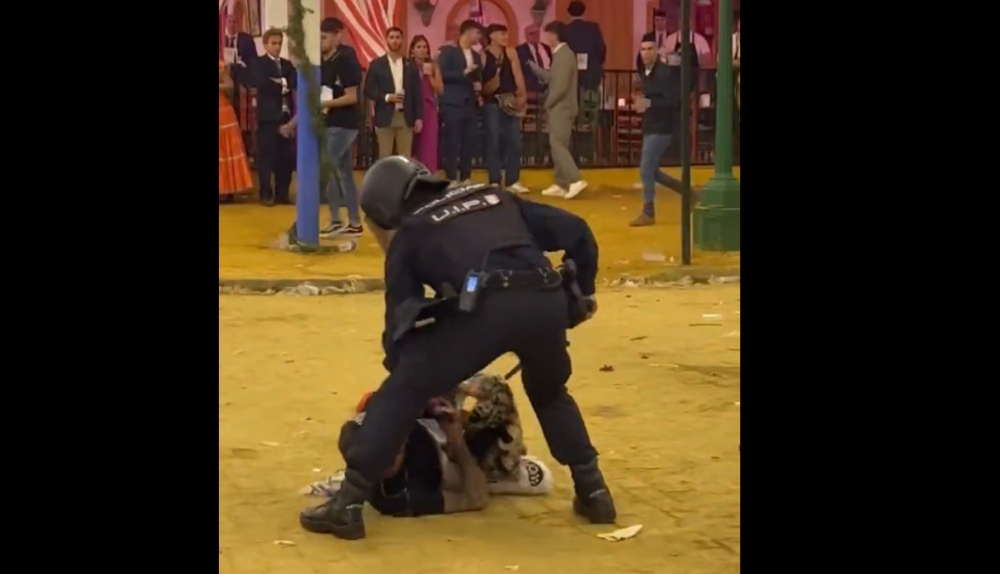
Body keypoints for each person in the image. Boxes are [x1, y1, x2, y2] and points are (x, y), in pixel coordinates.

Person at [298, 156, 616, 541]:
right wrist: (581, 292)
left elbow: (399, 326)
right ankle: (594, 491)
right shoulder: (495, 197)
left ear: (384, 210)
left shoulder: (412, 231)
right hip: (546, 299)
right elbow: (577, 230)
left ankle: (348, 503)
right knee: (549, 392)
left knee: (403, 387)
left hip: (485, 305)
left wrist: (415, 379)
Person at [300, 374, 555, 519]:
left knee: (441, 373)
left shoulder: (372, 424)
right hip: (461, 458)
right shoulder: (397, 498)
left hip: (437, 424)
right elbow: (475, 498)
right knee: (498, 393)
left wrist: (436, 406)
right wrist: (456, 442)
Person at [630, 33, 687, 227]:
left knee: (646, 169)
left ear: (657, 51)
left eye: (650, 49)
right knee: (652, 171)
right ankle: (687, 192)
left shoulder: (664, 73)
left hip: (663, 127)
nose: (646, 53)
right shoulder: (647, 72)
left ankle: (648, 212)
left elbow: (675, 102)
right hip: (653, 125)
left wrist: (649, 103)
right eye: (643, 49)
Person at [528, 22, 587, 199]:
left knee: (558, 145)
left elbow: (560, 87)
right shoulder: (561, 54)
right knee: (558, 144)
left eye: (547, 34)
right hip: (561, 106)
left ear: (555, 35)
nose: (546, 37)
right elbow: (552, 78)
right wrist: (535, 68)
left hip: (562, 107)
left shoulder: (564, 55)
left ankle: (575, 180)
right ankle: (561, 183)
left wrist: (547, 104)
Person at [252, 28, 297, 206]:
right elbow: (262, 83)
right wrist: (281, 84)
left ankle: (282, 193)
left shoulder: (287, 65)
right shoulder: (259, 63)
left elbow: (294, 80)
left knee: (285, 157)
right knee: (267, 156)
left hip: (286, 116)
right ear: (265, 45)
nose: (277, 47)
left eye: (279, 43)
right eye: (273, 43)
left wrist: (281, 82)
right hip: (268, 117)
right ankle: (265, 193)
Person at [482, 24, 528, 193]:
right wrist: (491, 85)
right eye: (501, 34)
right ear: (491, 36)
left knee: (515, 141)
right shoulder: (483, 56)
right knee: (493, 141)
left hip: (510, 102)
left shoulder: (511, 53)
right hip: (492, 103)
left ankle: (513, 180)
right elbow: (481, 83)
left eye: (505, 33)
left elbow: (518, 75)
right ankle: (494, 180)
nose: (505, 37)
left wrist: (522, 96)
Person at [364, 27, 423, 159]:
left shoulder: (410, 65)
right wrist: (387, 97)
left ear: (402, 40)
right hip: (385, 116)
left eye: (397, 37)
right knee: (385, 157)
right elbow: (368, 90)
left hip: (406, 117)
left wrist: (419, 117)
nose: (395, 40)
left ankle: (404, 175)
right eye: (392, 37)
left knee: (405, 158)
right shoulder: (377, 64)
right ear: (386, 40)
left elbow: (417, 92)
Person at [437, 20, 483, 184]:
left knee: (469, 142)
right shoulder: (448, 51)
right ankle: (450, 177)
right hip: (453, 103)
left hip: (470, 103)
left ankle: (465, 177)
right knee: (452, 141)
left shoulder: (476, 55)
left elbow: (478, 76)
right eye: (477, 33)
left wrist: (478, 84)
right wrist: (463, 73)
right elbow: (443, 74)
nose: (479, 36)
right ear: (468, 32)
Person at [219, 60, 253, 202]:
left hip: (222, 112)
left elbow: (230, 85)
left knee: (224, 151)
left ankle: (227, 190)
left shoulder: (220, 66)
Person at [410, 35, 443, 174]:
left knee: (428, 145)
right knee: (413, 145)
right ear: (412, 50)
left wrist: (429, 75)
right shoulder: (408, 66)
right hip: (411, 107)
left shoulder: (433, 67)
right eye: (419, 47)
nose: (422, 50)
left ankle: (429, 174)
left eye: (425, 47)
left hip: (429, 109)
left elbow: (440, 89)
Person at [516, 25, 552, 94]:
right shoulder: (519, 51)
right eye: (531, 33)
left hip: (549, 88)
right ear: (525, 36)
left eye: (537, 33)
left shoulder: (547, 48)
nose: (535, 35)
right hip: (531, 90)